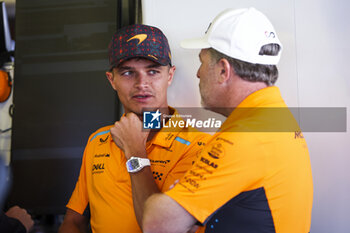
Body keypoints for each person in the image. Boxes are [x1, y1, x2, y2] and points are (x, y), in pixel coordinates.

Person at [142, 8, 313, 233]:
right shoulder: (276, 118)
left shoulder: (244, 138)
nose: (198, 74)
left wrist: (138, 159)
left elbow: (156, 224)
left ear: (223, 70)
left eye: (201, 62)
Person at [58, 24, 209, 233]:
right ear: (112, 80)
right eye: (128, 72)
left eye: (153, 71)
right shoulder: (97, 140)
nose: (141, 83)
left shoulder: (199, 146)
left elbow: (160, 228)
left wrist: (134, 151)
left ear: (170, 75)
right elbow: (73, 222)